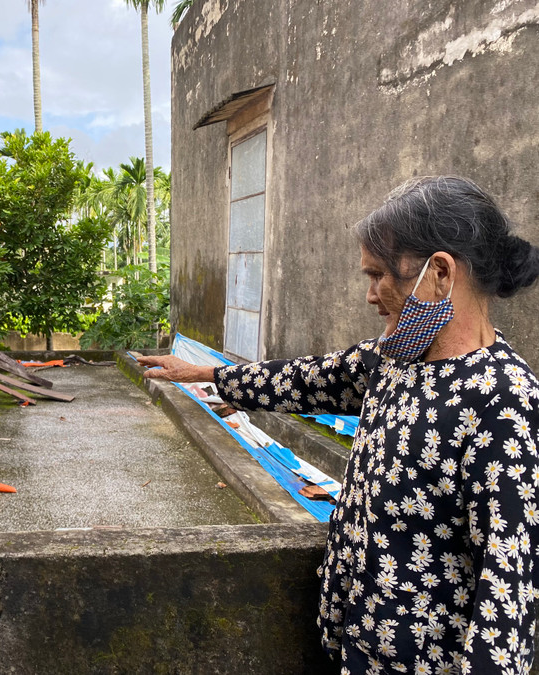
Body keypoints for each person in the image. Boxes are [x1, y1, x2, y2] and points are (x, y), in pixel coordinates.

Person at [138, 176, 539, 674]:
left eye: (378, 276)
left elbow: (508, 587)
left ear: (438, 273)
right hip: (351, 647)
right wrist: (204, 373)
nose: (371, 296)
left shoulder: (503, 401)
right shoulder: (393, 359)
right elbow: (307, 379)